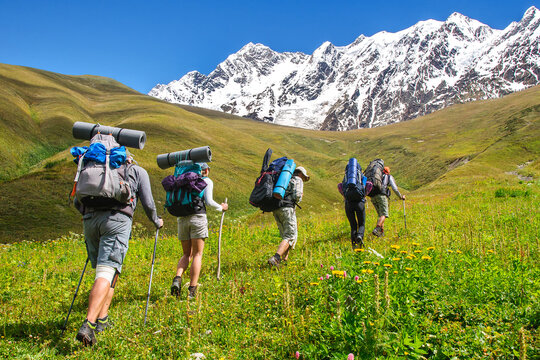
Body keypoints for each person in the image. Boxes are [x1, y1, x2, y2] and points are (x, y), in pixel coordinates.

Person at [74, 153, 163, 346]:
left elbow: (76, 202)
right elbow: (148, 203)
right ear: (128, 158)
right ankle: (89, 324)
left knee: (105, 272)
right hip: (116, 221)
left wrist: (91, 216)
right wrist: (156, 221)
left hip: (90, 221)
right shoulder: (137, 171)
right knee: (107, 271)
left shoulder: (92, 168)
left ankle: (103, 320)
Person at [170, 162, 228, 300]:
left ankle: (177, 278)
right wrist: (222, 207)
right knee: (197, 254)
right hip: (197, 217)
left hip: (182, 218)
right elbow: (208, 201)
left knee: (186, 254)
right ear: (206, 170)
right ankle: (192, 290)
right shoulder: (206, 181)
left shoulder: (183, 181)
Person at [268, 166, 309, 267]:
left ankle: (284, 260)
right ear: (300, 174)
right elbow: (297, 196)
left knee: (285, 235)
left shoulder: (285, 180)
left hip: (276, 209)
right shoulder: (298, 179)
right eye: (304, 177)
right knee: (290, 235)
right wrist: (300, 198)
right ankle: (276, 258)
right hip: (287, 209)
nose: (303, 179)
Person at [370, 166, 405, 237]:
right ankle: (377, 229)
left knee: (380, 215)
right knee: (384, 214)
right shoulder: (388, 177)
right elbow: (394, 188)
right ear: (388, 171)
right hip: (382, 196)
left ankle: (381, 234)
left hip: (373, 197)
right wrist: (400, 196)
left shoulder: (377, 177)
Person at [338, 181, 366, 250]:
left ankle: (354, 245)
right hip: (360, 203)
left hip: (348, 204)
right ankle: (359, 236)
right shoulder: (361, 177)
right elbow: (369, 185)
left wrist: (344, 195)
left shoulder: (347, 178)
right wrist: (364, 195)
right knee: (361, 224)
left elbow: (339, 186)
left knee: (353, 226)